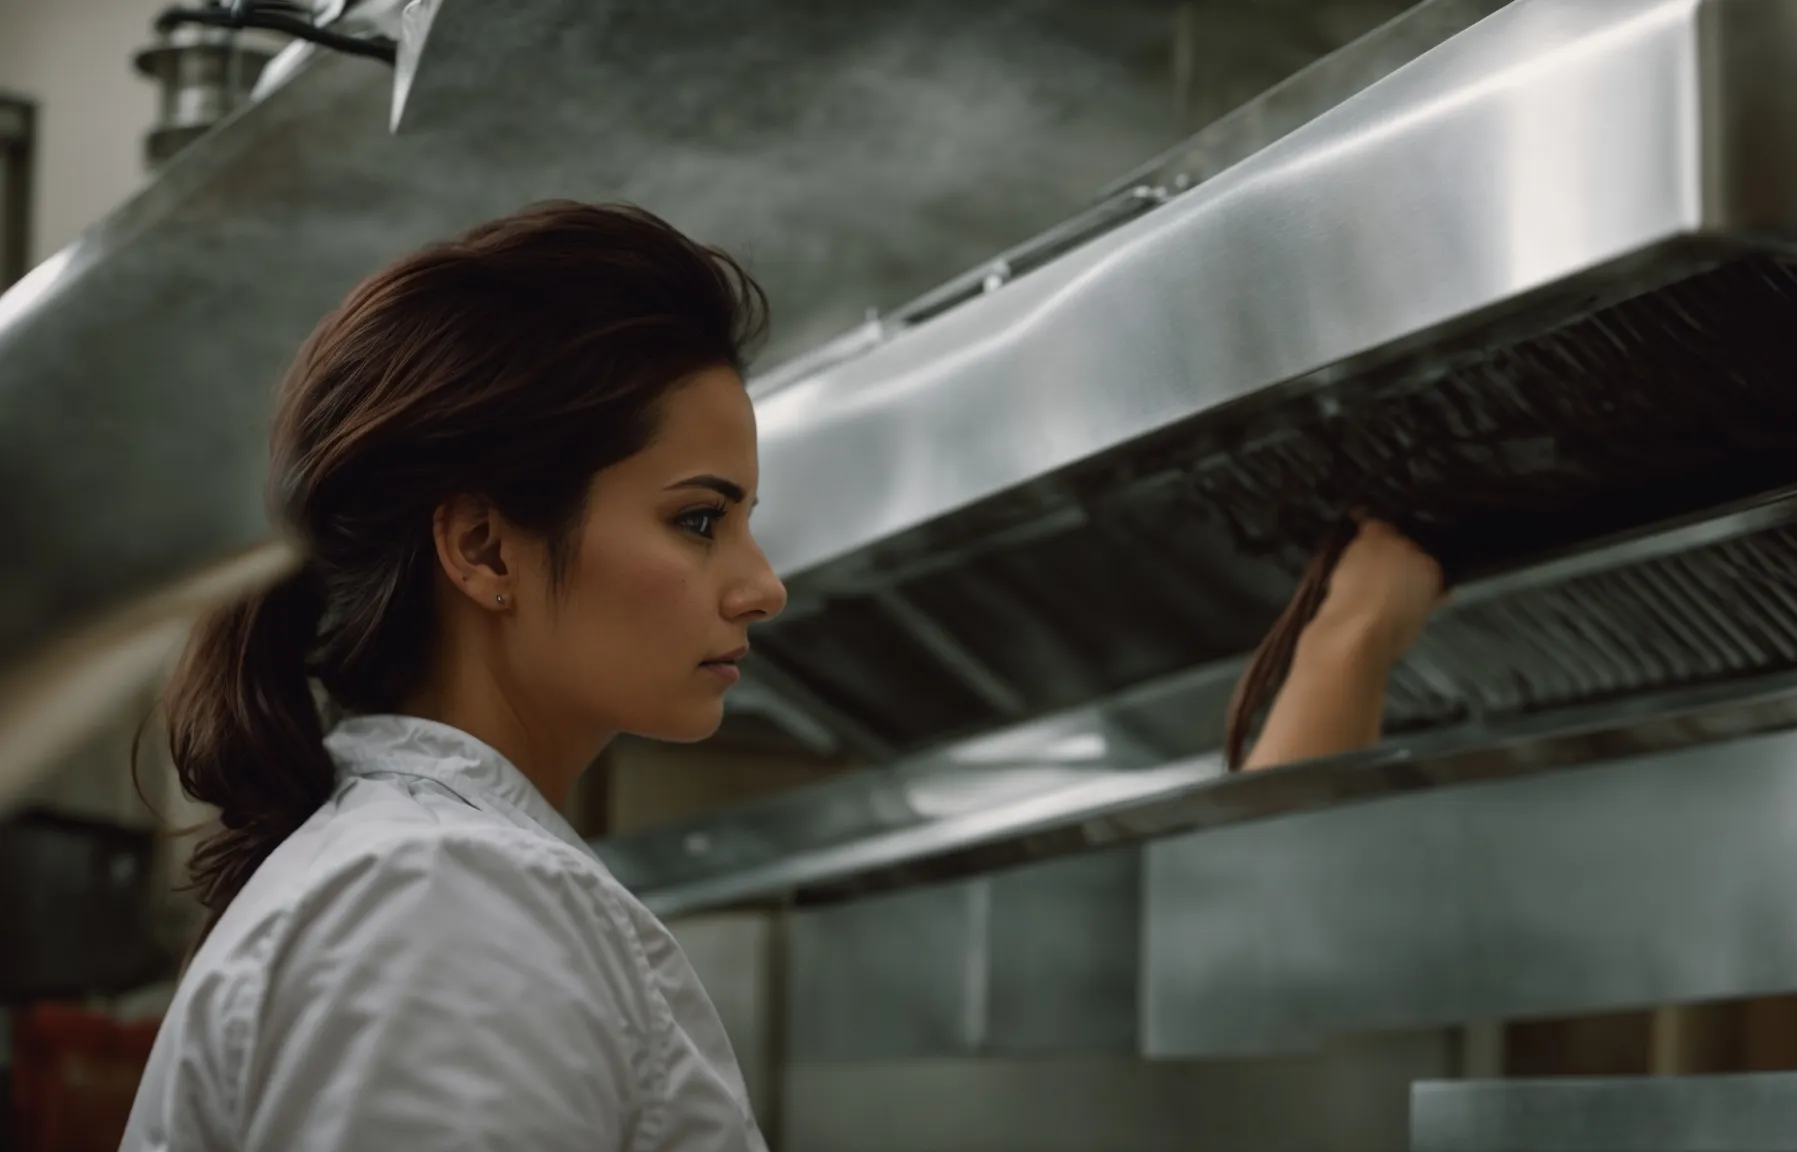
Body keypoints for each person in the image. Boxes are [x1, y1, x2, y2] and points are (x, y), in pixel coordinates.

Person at [119, 202, 1440, 1152]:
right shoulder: (441, 899)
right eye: (699, 520)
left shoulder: (423, 874)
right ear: (481, 546)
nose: (762, 583)